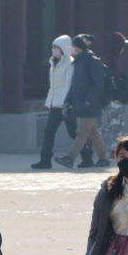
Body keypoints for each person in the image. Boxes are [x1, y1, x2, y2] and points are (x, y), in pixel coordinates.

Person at [55, 34, 111, 169]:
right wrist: (68, 101)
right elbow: (74, 85)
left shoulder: (93, 62)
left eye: (74, 46)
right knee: (93, 133)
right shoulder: (78, 62)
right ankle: (104, 158)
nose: (71, 48)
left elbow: (99, 85)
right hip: (81, 103)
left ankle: (70, 158)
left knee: (82, 133)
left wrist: (88, 100)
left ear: (80, 47)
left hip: (90, 104)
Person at [32, 34, 78, 170]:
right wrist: (50, 102)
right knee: (49, 133)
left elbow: (68, 85)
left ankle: (87, 157)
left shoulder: (70, 64)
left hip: (66, 105)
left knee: (74, 133)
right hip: (54, 104)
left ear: (63, 49)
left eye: (57, 48)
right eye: (53, 48)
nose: (54, 51)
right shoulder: (53, 63)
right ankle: (45, 160)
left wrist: (65, 104)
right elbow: (53, 87)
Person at [98, 31, 128, 154]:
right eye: (121, 45)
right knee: (115, 125)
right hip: (113, 98)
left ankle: (92, 145)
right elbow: (114, 80)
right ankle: (112, 150)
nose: (123, 49)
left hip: (107, 99)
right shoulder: (111, 61)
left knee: (106, 125)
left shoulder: (106, 59)